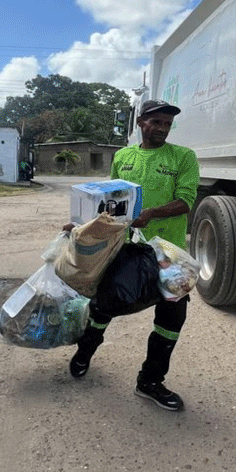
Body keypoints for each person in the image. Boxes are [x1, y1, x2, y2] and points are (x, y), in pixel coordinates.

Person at [69, 99, 199, 412]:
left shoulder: (183, 157)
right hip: (125, 247)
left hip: (169, 252)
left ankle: (150, 382)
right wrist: (82, 223)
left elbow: (186, 201)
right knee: (105, 305)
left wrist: (152, 213)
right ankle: (85, 352)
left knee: (172, 317)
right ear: (141, 123)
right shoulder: (123, 156)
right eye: (156, 123)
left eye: (167, 124)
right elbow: (109, 200)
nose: (162, 129)